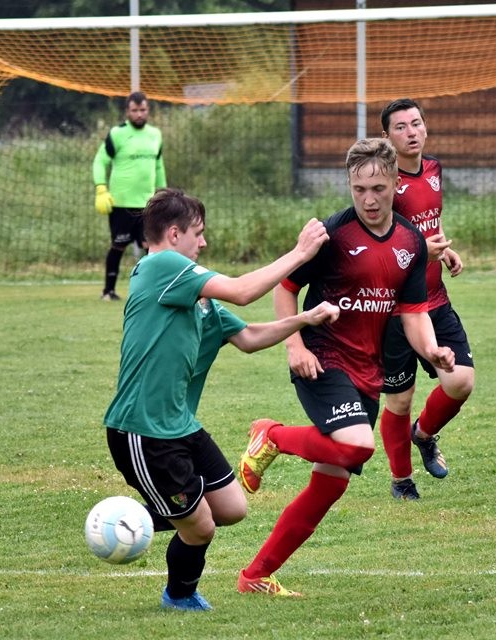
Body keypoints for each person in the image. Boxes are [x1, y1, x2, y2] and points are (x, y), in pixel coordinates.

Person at [236, 138, 455, 597]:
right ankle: (271, 435)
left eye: (378, 189)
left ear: (395, 183)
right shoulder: (332, 235)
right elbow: (285, 288)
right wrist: (294, 345)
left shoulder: (411, 242)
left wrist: (432, 350)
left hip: (367, 371)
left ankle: (254, 576)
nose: (369, 199)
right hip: (322, 358)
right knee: (357, 445)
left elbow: (413, 313)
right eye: (359, 190)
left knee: (330, 484)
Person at [103, 188, 339, 612]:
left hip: (180, 425)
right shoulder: (160, 266)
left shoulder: (198, 299)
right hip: (143, 430)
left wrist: (304, 319)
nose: (204, 242)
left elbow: (247, 337)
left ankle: (137, 516)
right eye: (198, 233)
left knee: (231, 509)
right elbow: (243, 290)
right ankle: (179, 596)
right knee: (201, 528)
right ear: (174, 234)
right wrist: (300, 254)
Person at [378, 98, 475, 500]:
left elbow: (427, 224)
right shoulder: (382, 182)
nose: (411, 132)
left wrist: (444, 249)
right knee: (399, 400)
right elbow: (380, 244)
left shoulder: (433, 168)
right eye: (400, 127)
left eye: (416, 123)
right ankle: (401, 480)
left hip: (435, 299)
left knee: (461, 381)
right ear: (387, 137)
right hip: (396, 310)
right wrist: (423, 251)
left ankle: (424, 433)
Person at [92, 91, 167, 301]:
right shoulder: (117, 134)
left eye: (143, 110)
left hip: (148, 204)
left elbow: (159, 165)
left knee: (152, 247)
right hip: (121, 203)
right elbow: (100, 161)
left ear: (148, 110)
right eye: (135, 110)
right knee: (118, 246)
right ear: (127, 111)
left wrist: (163, 192)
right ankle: (108, 291)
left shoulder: (155, 134)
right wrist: (101, 188)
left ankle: (153, 291)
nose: (139, 114)